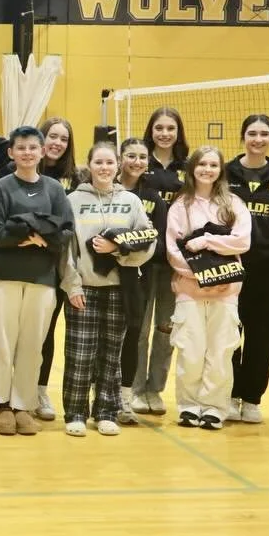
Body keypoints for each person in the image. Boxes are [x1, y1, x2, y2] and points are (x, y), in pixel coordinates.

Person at [0, 126, 73, 436]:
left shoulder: (54, 190)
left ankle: (23, 405)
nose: (27, 153)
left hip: (42, 278)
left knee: (33, 344)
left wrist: (43, 240)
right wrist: (23, 237)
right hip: (2, 276)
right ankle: (3, 405)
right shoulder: (2, 187)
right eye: (21, 148)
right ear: (11, 153)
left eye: (33, 147)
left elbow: (66, 231)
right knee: (3, 342)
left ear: (43, 151)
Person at [58, 141, 155, 437]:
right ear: (89, 165)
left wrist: (119, 250)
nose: (104, 168)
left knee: (111, 353)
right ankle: (75, 411)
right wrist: (71, 285)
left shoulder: (132, 201)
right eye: (98, 162)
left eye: (109, 163)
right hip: (84, 287)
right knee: (80, 353)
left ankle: (106, 410)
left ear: (117, 166)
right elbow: (66, 250)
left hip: (120, 289)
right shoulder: (72, 200)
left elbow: (148, 241)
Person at [165, 145, 251, 430]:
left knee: (220, 351)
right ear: (192, 169)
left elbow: (242, 241)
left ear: (220, 170)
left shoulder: (233, 204)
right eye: (201, 164)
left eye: (213, 165)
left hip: (226, 291)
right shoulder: (181, 205)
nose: (207, 170)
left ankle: (214, 407)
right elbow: (173, 250)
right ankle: (189, 406)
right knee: (190, 350)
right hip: (190, 290)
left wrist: (207, 242)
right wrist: (201, 276)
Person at [225, 114, 269, 424]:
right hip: (230, 266)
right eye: (252, 133)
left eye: (264, 133)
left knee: (262, 337)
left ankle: (252, 398)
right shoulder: (226, 172)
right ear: (243, 137)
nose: (258, 139)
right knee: (228, 333)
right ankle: (228, 393)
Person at [128, 106, 189, 417]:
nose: (165, 133)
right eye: (159, 127)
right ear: (150, 130)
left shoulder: (187, 167)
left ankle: (155, 389)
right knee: (138, 327)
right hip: (143, 259)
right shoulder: (140, 163)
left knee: (165, 326)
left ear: (178, 133)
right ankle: (137, 388)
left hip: (173, 261)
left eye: (171, 128)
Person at [29, 115, 78, 422]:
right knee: (26, 333)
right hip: (29, 264)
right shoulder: (26, 172)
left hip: (61, 265)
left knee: (47, 333)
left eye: (63, 138)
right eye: (52, 136)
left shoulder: (78, 178)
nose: (57, 143)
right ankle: (16, 389)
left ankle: (39, 390)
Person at [115, 137, 162, 426]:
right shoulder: (105, 190)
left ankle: (124, 396)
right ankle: (100, 394)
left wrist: (128, 255)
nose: (136, 162)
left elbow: (155, 239)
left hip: (138, 276)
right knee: (106, 337)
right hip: (104, 276)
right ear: (121, 158)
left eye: (142, 157)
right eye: (131, 155)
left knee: (133, 335)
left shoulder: (153, 197)